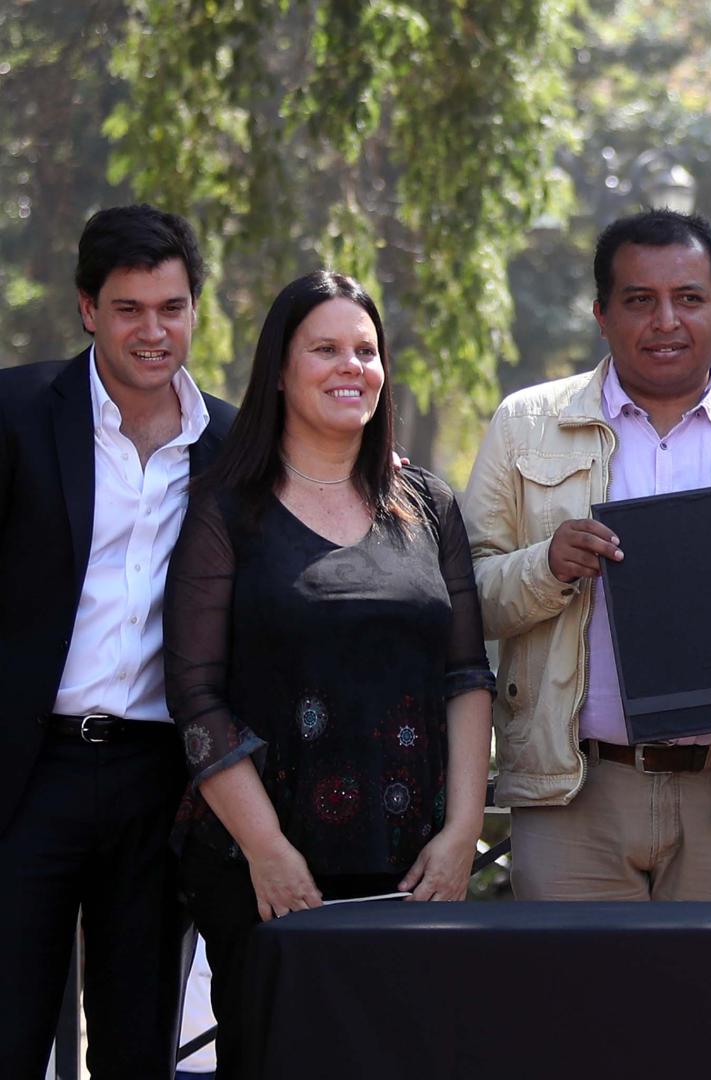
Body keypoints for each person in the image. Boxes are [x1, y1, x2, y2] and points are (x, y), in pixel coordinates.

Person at [164, 271, 494, 1078]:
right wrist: (268, 851)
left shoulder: (427, 504)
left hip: (411, 871)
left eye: (366, 350)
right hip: (267, 873)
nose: (352, 367)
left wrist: (459, 837)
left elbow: (467, 675)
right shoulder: (225, 508)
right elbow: (197, 698)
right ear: (278, 369)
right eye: (326, 349)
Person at [464, 208, 711, 901]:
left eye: (688, 299)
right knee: (579, 1008)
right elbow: (467, 596)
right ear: (602, 314)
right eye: (639, 301)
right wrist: (547, 566)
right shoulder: (525, 425)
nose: (665, 321)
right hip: (575, 795)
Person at [0, 205, 236, 1079]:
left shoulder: (232, 444)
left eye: (171, 308)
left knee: (138, 1045)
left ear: (195, 311)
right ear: (87, 309)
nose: (153, 331)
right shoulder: (17, 413)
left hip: (157, 779)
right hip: (26, 777)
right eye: (130, 309)